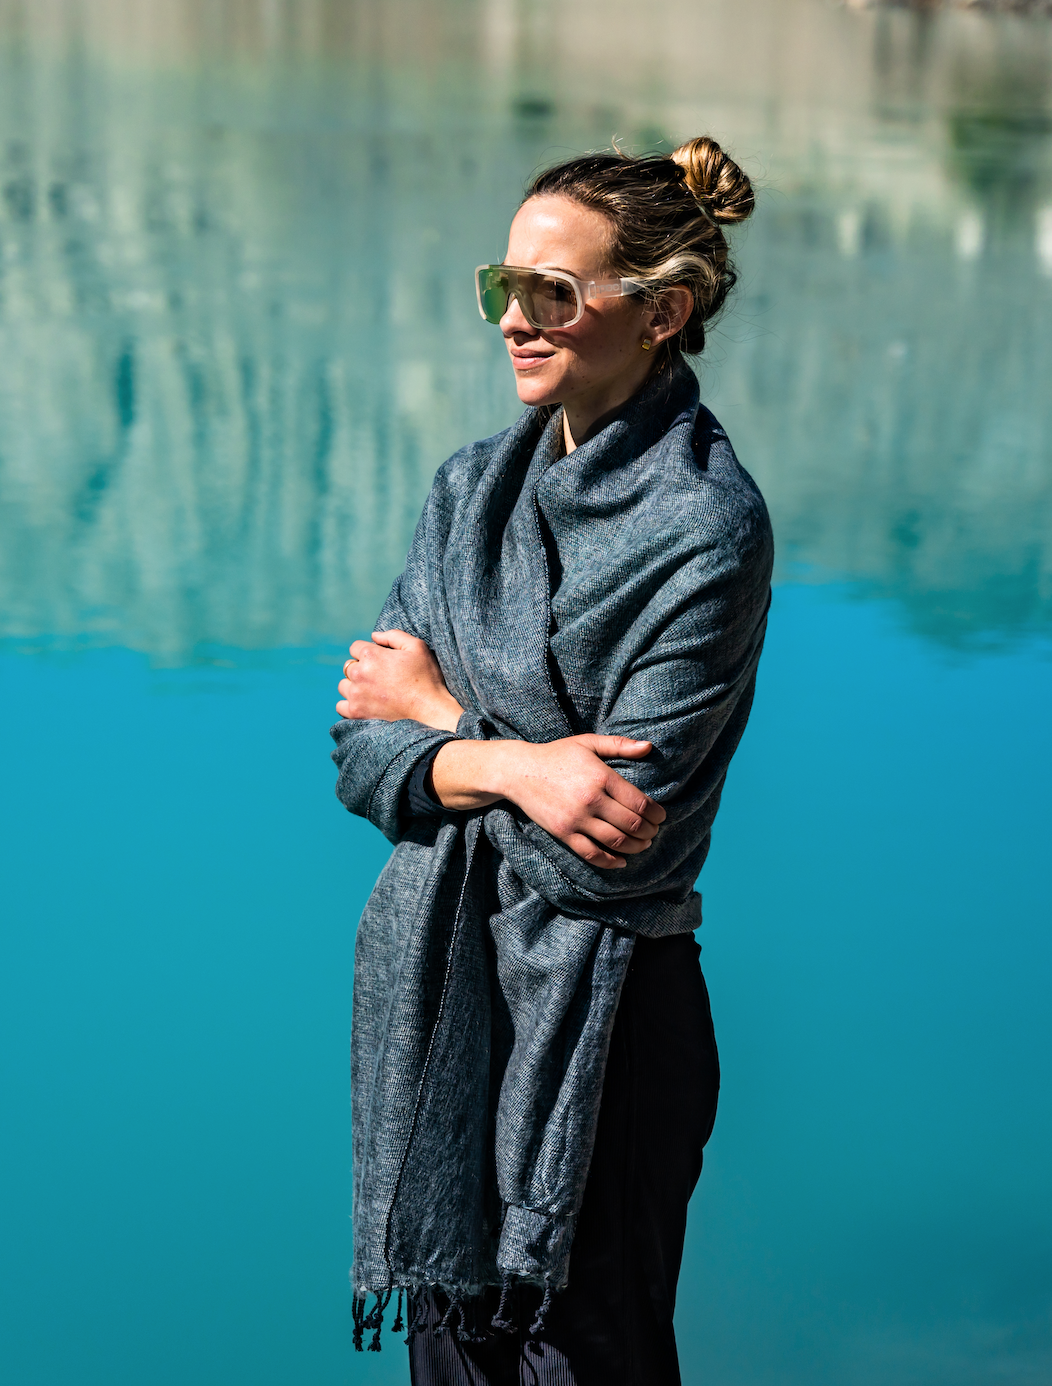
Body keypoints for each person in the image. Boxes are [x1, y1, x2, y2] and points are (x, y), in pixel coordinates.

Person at [331, 136, 772, 1386]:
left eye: (553, 294)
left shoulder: (705, 529)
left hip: (609, 1030)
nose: (514, 321)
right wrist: (516, 765)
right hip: (449, 1005)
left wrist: (442, 728)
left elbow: (620, 840)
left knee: (583, 1366)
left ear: (661, 311)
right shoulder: (466, 493)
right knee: (450, 1360)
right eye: (501, 288)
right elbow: (360, 750)